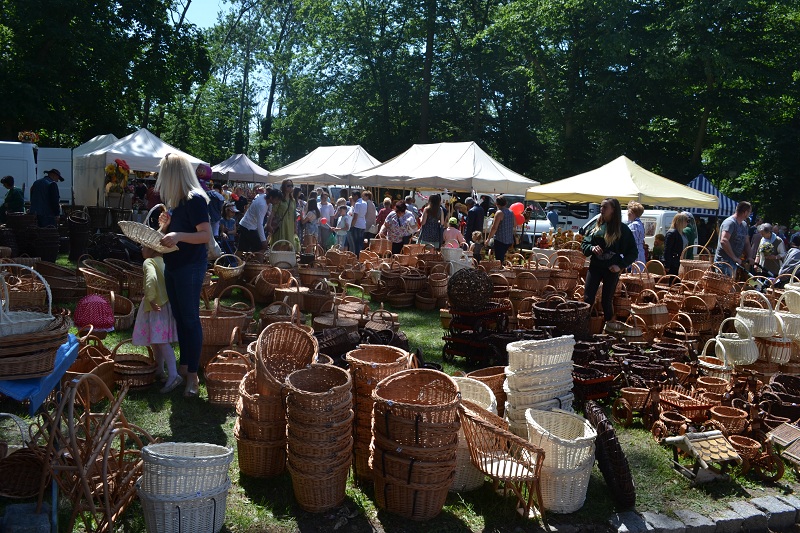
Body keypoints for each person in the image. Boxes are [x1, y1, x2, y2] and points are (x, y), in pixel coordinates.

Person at [155, 153, 212, 398]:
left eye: (163, 173)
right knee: (180, 319)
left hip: (189, 266)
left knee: (189, 320)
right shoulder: (176, 202)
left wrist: (177, 235)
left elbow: (205, 236)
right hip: (174, 265)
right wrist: (165, 227)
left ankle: (192, 377)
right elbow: (170, 236)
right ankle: (184, 367)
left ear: (173, 174)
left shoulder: (194, 199)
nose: (160, 179)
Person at [131, 245, 181, 393]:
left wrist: (151, 299)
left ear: (151, 249)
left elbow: (151, 279)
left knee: (161, 341)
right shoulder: (165, 262)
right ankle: (159, 370)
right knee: (156, 340)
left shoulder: (149, 262)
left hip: (155, 307)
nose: (141, 250)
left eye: (143, 247)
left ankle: (173, 375)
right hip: (166, 305)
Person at [581, 198, 638, 322]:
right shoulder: (597, 226)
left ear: (613, 210)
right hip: (595, 267)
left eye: (605, 207)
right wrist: (591, 247)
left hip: (611, 270)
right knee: (587, 298)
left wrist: (620, 265)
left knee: (606, 301)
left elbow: (633, 252)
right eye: (601, 206)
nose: (602, 209)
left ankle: (608, 330)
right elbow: (585, 243)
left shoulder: (622, 229)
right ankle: (583, 327)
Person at [714, 201, 752, 277]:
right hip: (724, 262)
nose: (750, 214)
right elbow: (724, 240)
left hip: (734, 262)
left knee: (730, 286)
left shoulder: (744, 225)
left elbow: (746, 242)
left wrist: (750, 257)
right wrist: (734, 257)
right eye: (749, 212)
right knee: (724, 287)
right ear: (745, 212)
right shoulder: (730, 223)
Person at [238, 188, 270, 252]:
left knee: (241, 248)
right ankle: (259, 262)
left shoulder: (262, 197)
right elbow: (259, 224)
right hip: (249, 227)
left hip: (244, 224)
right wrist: (263, 240)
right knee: (260, 248)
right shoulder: (262, 205)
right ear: (272, 198)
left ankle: (234, 262)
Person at [485, 195, 515, 262]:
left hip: (500, 239)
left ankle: (500, 270)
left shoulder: (499, 213)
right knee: (506, 258)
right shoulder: (511, 212)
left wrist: (488, 238)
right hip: (509, 240)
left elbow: (494, 228)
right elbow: (514, 224)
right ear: (505, 203)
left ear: (497, 204)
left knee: (499, 259)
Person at [269, 179, 297, 247]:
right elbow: (273, 212)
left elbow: (294, 215)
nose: (290, 187)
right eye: (288, 185)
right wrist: (269, 224)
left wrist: (295, 227)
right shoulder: (279, 198)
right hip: (281, 224)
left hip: (290, 225)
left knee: (288, 245)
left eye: (291, 185)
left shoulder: (293, 200)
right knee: (279, 244)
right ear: (284, 187)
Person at [348, 190, 367, 255]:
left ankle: (357, 258)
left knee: (356, 243)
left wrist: (352, 225)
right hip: (363, 224)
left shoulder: (357, 204)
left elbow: (355, 216)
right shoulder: (365, 203)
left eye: (353, 196)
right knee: (360, 243)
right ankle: (361, 257)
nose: (352, 198)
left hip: (357, 225)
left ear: (356, 196)